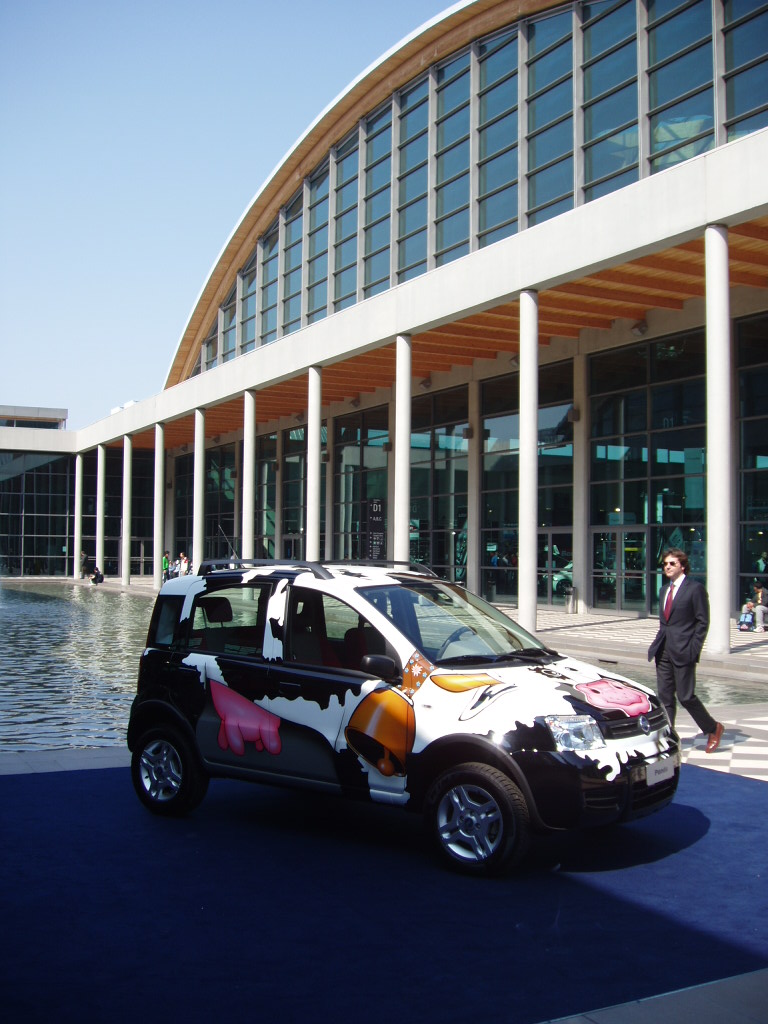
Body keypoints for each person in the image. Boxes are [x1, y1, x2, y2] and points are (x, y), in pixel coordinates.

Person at [648, 548, 723, 753]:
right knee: (664, 697)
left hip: (684, 650)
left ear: (682, 566)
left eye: (672, 563)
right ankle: (669, 737)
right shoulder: (664, 590)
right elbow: (666, 622)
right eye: (665, 564)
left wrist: (693, 649)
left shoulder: (694, 589)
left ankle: (713, 728)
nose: (667, 567)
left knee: (686, 696)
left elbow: (702, 622)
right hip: (663, 649)